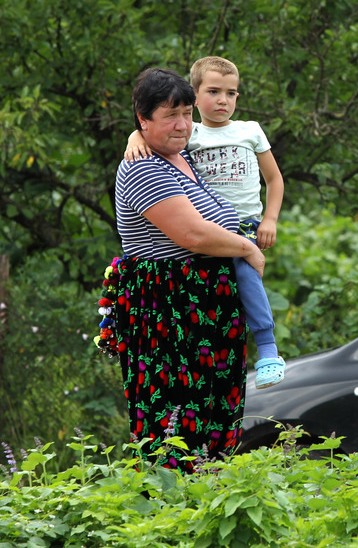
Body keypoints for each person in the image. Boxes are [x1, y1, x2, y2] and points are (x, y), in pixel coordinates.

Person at [99, 67, 266, 472]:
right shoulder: (142, 167)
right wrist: (247, 248)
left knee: (215, 415)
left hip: (207, 305)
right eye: (170, 116)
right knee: (173, 419)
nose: (183, 124)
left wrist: (142, 133)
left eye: (187, 114)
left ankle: (207, 514)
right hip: (169, 307)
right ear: (143, 119)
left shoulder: (182, 155)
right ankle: (170, 516)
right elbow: (191, 234)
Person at [125, 56, 286, 389]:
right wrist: (134, 137)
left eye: (232, 93)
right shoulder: (186, 139)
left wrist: (269, 219)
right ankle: (268, 348)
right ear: (197, 95)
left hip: (243, 231)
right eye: (213, 91)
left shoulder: (244, 132)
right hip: (174, 301)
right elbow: (193, 235)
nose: (224, 100)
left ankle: (268, 349)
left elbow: (275, 178)